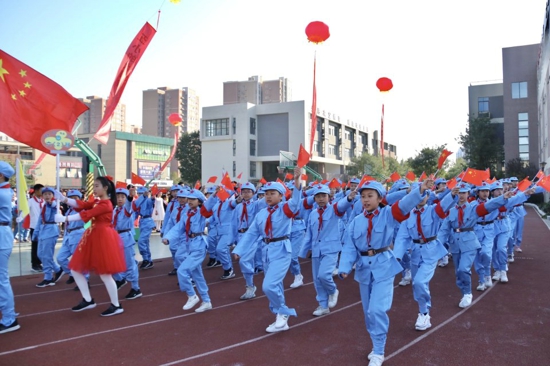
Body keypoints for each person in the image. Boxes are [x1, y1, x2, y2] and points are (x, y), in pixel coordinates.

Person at [338, 179, 434, 366]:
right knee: (368, 313)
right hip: (364, 269)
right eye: (363, 196)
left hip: (384, 266)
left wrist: (419, 190)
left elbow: (404, 205)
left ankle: (379, 351)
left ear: (380, 198)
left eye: (370, 196)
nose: (365, 200)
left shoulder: (388, 214)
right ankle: (375, 345)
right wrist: (344, 267)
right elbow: (350, 247)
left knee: (377, 309)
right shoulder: (356, 221)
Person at [233, 167, 302, 333]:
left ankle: (283, 312)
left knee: (268, 286)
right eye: (266, 193)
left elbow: (295, 201)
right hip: (266, 251)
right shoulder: (262, 213)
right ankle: (280, 317)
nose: (268, 196)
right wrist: (239, 250)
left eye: (273, 193)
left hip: (281, 250)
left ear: (281, 195)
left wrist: (298, 182)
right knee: (275, 285)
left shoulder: (285, 209)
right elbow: (251, 234)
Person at [54, 176, 127, 316]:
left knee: (105, 274)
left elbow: (87, 214)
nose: (94, 188)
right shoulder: (98, 202)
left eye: (97, 186)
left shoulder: (105, 204)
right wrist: (64, 199)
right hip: (93, 235)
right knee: (76, 269)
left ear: (105, 188)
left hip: (102, 237)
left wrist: (65, 218)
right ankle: (88, 299)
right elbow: (82, 205)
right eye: (94, 185)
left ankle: (116, 305)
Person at [393, 184, 459, 331]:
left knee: (419, 282)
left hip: (431, 252)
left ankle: (424, 313)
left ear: (428, 196)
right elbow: (402, 237)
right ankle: (423, 310)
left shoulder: (433, 211)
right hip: (415, 253)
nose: (421, 198)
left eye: (424, 195)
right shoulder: (407, 216)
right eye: (418, 195)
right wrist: (397, 256)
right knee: (419, 284)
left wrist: (452, 196)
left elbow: (443, 207)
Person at [437, 182, 512, 309]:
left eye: (464, 193)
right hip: (455, 244)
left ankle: (467, 293)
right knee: (458, 272)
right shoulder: (451, 212)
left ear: (468, 194)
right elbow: (444, 230)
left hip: (470, 242)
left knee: (463, 269)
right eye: (459, 193)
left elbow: (489, 205)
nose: (461, 195)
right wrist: (437, 246)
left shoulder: (473, 208)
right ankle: (464, 292)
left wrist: (503, 198)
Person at [300, 184, 356, 316]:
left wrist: (348, 198)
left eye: (323, 196)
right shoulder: (313, 214)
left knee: (324, 275)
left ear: (329, 197)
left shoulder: (334, 209)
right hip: (316, 250)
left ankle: (333, 290)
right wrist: (303, 250)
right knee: (317, 280)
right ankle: (323, 305)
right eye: (317, 196)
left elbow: (342, 206)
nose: (320, 199)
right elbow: (309, 233)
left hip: (330, 249)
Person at [163, 189, 214, 313]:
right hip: (189, 244)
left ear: (199, 201)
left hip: (199, 245)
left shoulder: (201, 212)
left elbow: (209, 205)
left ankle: (192, 295)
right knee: (197, 275)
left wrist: (215, 194)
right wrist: (168, 237)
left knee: (182, 270)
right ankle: (206, 301)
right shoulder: (187, 213)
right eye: (188, 199)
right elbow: (179, 227)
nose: (189, 201)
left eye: (193, 199)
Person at [0, 162, 20, 334]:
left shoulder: (2, 193)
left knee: (1, 280)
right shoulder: (5, 190)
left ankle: (9, 319)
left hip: (1, 235)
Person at [112, 188, 142, 300]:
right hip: (115, 237)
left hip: (125, 238)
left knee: (129, 265)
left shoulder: (126, 209)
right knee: (112, 262)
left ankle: (136, 288)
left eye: (122, 197)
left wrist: (130, 197)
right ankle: (120, 279)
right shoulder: (115, 210)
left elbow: (129, 206)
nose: (119, 199)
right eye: (118, 197)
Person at [33, 187, 63, 287]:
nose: (47, 196)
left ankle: (48, 278)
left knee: (46, 255)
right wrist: (35, 233)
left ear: (53, 195)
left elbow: (54, 205)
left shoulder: (54, 204)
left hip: (51, 231)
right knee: (40, 254)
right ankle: (58, 269)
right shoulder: (43, 206)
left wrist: (52, 202)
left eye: (49, 194)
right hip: (43, 230)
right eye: (45, 194)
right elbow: (39, 220)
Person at [56, 190, 86, 286]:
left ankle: (85, 280)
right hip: (68, 236)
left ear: (80, 199)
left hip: (77, 235)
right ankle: (72, 274)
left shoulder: (81, 209)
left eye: (75, 198)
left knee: (78, 260)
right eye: (71, 198)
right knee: (60, 258)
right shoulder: (69, 211)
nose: (73, 200)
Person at [132, 186, 156, 270]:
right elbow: (134, 213)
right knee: (145, 242)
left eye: (141, 193)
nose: (140, 195)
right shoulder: (138, 202)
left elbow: (152, 200)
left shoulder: (147, 200)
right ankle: (148, 260)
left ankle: (146, 259)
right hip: (142, 221)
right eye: (139, 193)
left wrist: (151, 196)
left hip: (148, 221)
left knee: (141, 241)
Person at [28, 184, 44, 272]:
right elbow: (25, 210)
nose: (42, 192)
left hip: (43, 227)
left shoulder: (43, 201)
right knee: (35, 246)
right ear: (36, 190)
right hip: (34, 226)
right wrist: (20, 217)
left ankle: (39, 263)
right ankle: (34, 264)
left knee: (41, 246)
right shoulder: (30, 201)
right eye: (41, 190)